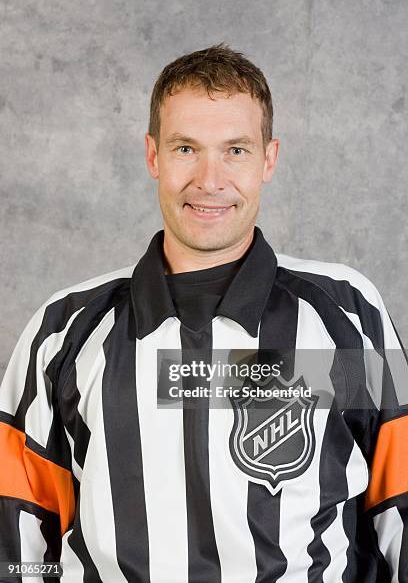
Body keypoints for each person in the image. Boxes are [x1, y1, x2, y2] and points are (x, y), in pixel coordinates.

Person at [0, 42, 407, 583]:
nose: (209, 180)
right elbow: (18, 536)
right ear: (153, 156)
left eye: (235, 150)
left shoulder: (346, 314)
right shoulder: (64, 331)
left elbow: (399, 502)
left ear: (269, 159)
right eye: (186, 148)